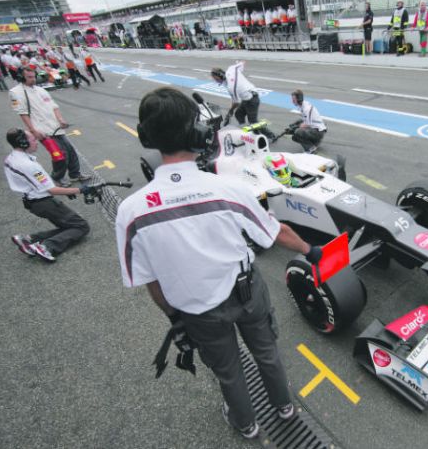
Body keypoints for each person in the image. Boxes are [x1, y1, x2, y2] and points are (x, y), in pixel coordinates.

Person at [115, 87, 324, 440]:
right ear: (196, 134)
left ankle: (246, 423)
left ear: (146, 137)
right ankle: (284, 407)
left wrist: (174, 317)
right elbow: (276, 233)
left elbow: (150, 281)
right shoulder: (227, 188)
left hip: (198, 311)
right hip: (247, 293)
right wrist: (309, 250)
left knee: (228, 370)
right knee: (267, 352)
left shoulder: (130, 212)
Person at [4, 128, 92, 262]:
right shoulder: (28, 165)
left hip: (32, 201)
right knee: (81, 226)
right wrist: (80, 190)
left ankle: (29, 240)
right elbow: (52, 190)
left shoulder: (11, 158)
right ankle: (47, 247)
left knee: (69, 226)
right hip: (44, 203)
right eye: (33, 140)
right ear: (23, 143)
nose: (37, 142)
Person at [9, 66, 92, 187]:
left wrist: (60, 119)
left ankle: (75, 174)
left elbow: (54, 106)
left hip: (56, 127)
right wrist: (33, 130)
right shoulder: (16, 92)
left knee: (70, 151)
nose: (33, 79)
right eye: (29, 77)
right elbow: (23, 113)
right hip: (42, 131)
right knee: (60, 155)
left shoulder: (40, 90)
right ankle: (57, 178)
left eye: (34, 77)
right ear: (21, 77)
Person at [210, 63, 278, 141]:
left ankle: (269, 136)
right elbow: (242, 63)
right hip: (246, 97)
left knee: (253, 121)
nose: (215, 81)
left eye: (216, 79)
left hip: (252, 99)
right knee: (239, 114)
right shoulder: (231, 69)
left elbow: (236, 102)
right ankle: (247, 131)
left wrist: (230, 111)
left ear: (220, 76)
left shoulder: (231, 87)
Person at [290, 89, 326, 154]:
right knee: (297, 124)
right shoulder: (303, 105)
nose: (292, 101)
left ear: (299, 99)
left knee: (297, 132)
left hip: (318, 131)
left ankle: (310, 149)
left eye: (294, 99)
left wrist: (296, 127)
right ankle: (315, 143)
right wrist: (296, 124)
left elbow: (308, 124)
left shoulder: (306, 108)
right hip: (317, 129)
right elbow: (305, 120)